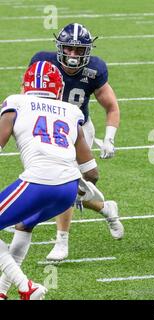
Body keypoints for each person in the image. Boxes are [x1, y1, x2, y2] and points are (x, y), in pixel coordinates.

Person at [0, 61, 99, 300]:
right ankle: (2, 291)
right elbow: (92, 171)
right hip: (67, 189)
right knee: (25, 225)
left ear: (26, 85)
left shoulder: (16, 102)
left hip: (38, 181)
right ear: (58, 88)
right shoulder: (71, 111)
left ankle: (27, 286)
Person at [27, 23, 124, 261]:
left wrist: (109, 138)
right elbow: (26, 93)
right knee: (64, 182)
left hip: (79, 129)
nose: (72, 55)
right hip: (49, 129)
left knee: (75, 180)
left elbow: (111, 106)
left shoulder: (95, 69)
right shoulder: (42, 63)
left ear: (87, 51)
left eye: (78, 50)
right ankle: (101, 212)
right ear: (59, 47)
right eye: (68, 49)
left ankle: (71, 234)